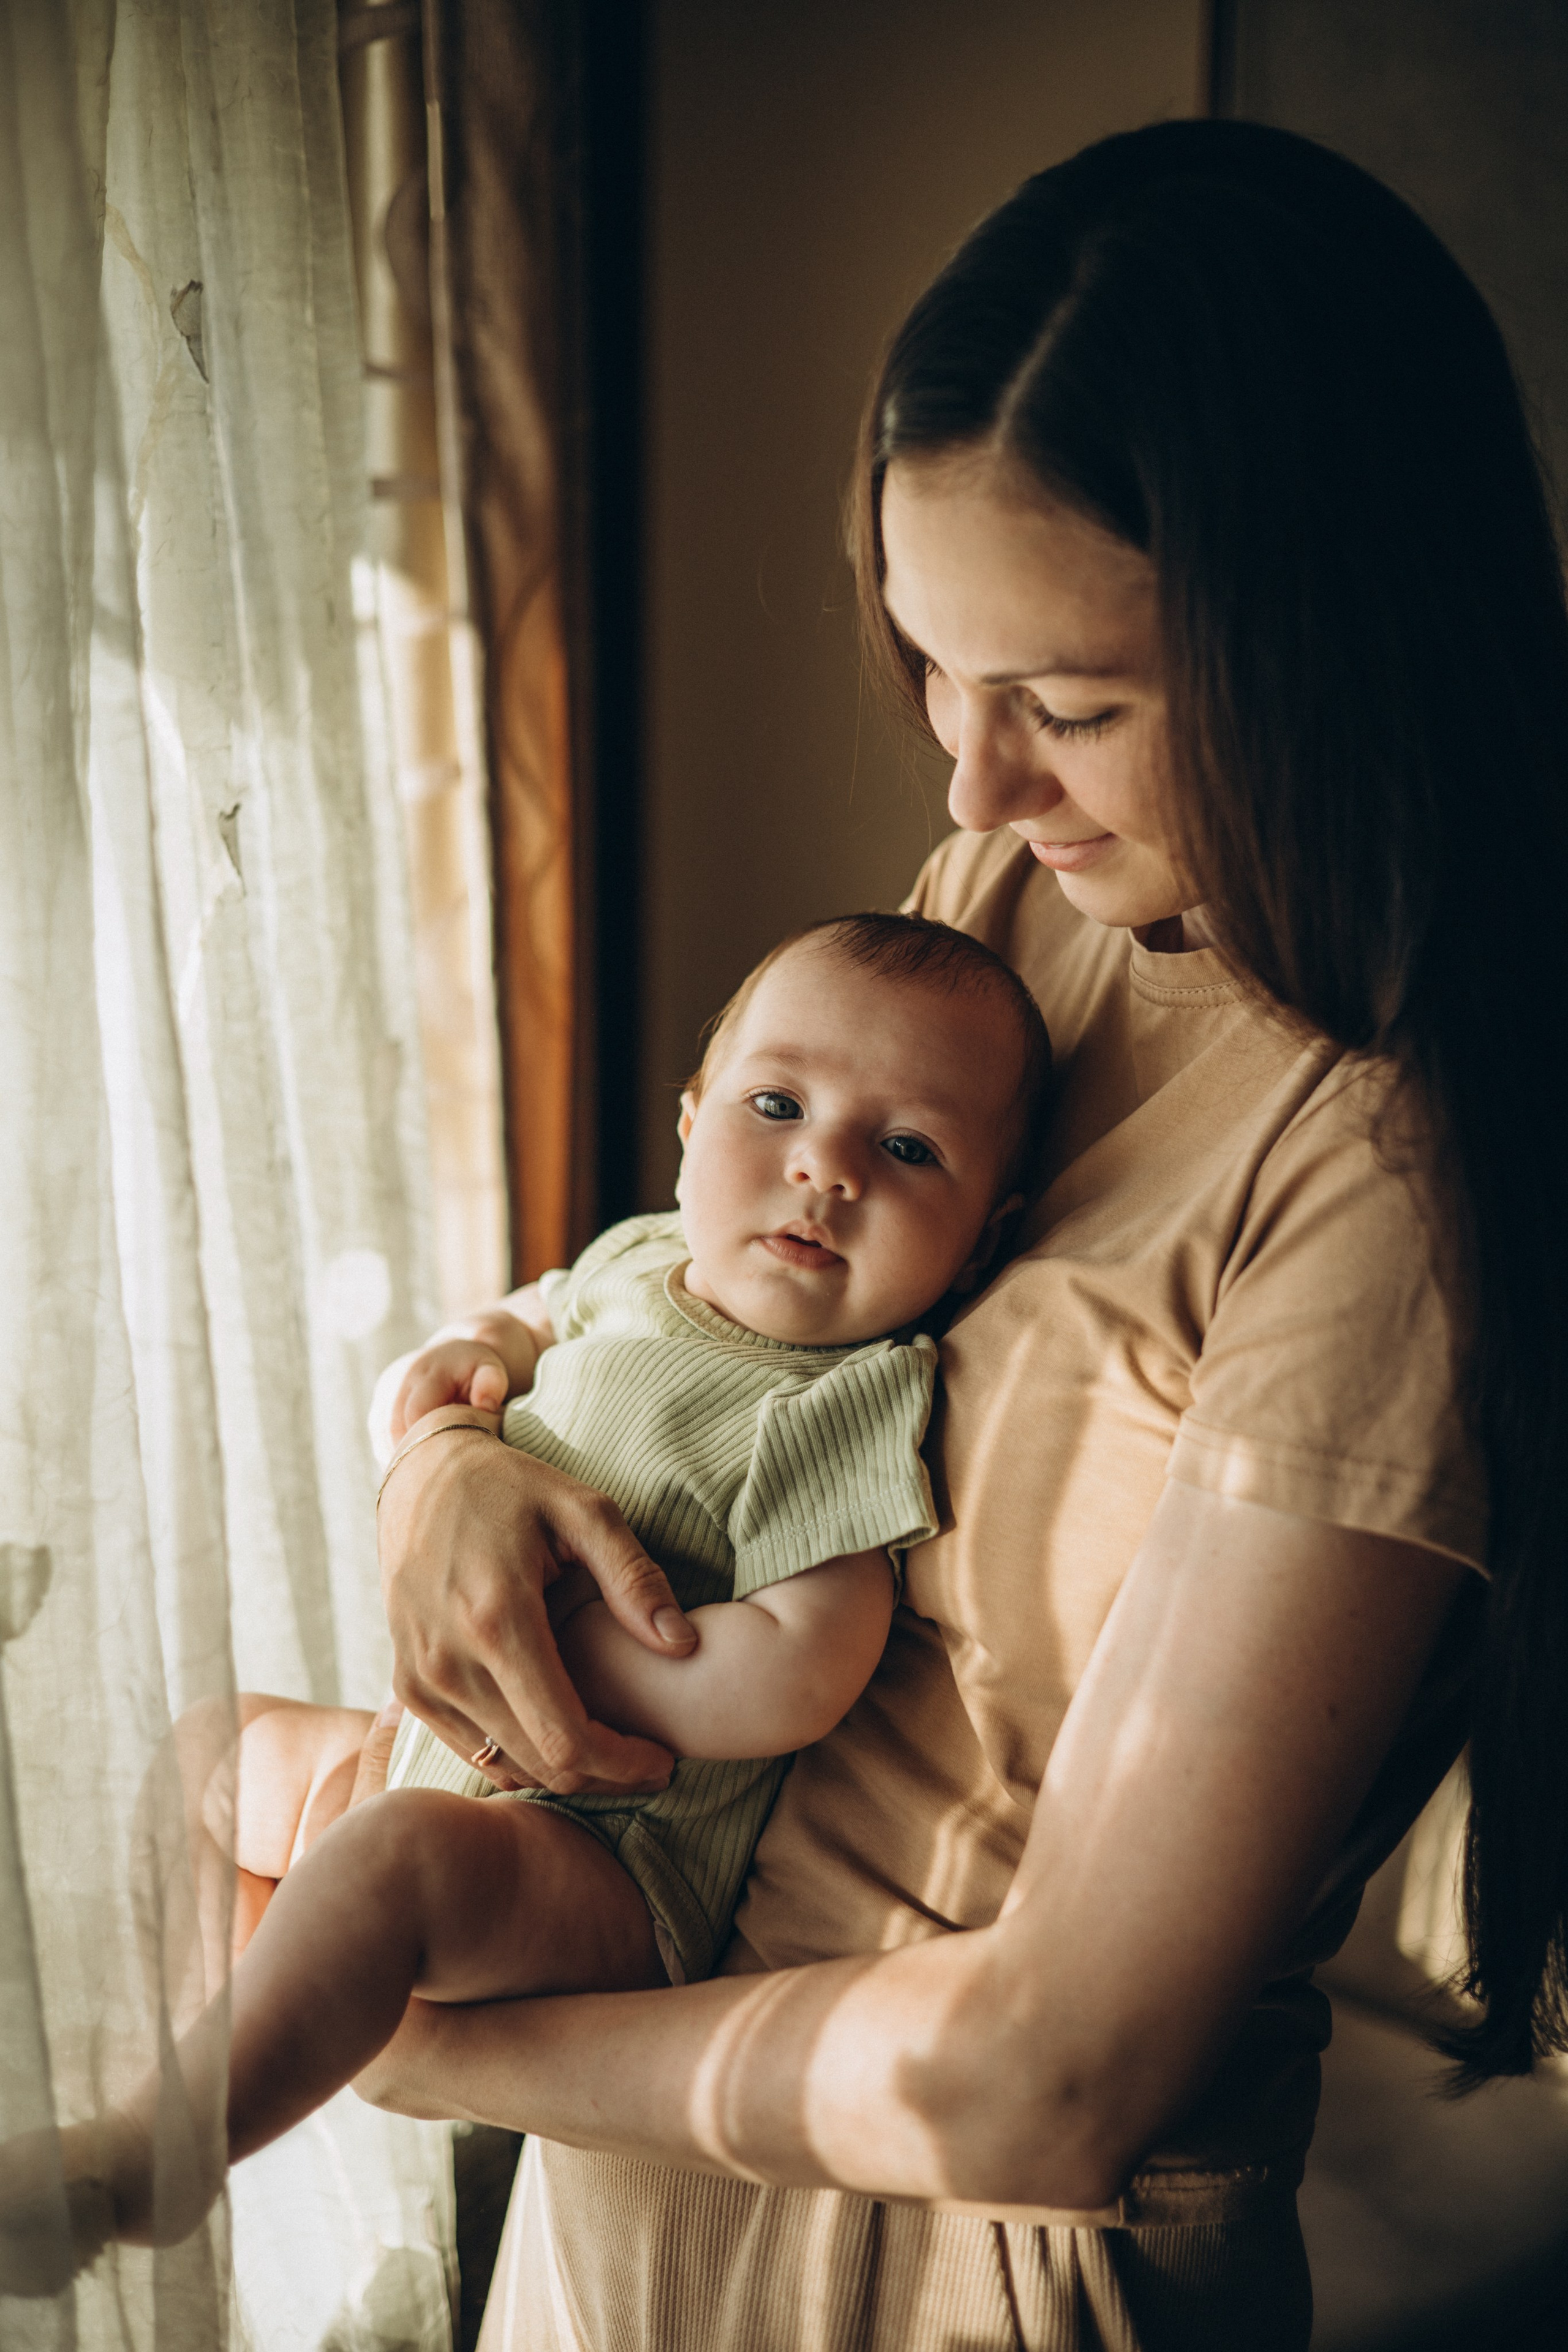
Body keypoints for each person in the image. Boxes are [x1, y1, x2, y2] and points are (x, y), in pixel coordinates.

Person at [344, 117, 1568, 2352]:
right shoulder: (1029, 903)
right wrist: (453, 1450)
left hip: (962, 2258)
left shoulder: (1390, 1172)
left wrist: (402, 2046)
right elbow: (724, 1319)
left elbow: (1051, 2070)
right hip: (668, 2139)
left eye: (1072, 708)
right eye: (935, 667)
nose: (968, 789)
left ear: (1330, 644)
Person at [0, 913, 1049, 2296]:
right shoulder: (633, 1264)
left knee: (386, 1869)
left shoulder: (843, 1399)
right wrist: (462, 1372)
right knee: (215, 1751)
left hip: (604, 1851)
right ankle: (188, 2058)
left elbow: (797, 1672)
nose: (822, 1166)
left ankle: (155, 2156)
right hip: (416, 1754)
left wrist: (563, 1658)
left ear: (984, 1241)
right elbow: (505, 1330)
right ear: (688, 1124)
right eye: (778, 1104)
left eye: (906, 1148)